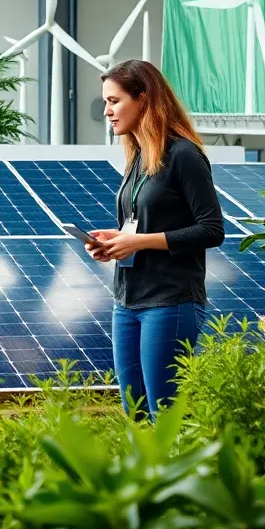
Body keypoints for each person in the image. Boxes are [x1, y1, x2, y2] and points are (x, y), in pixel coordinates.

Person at [87, 59, 224, 419]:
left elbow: (212, 230)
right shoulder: (137, 156)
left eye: (114, 101)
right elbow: (142, 222)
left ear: (143, 99)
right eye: (106, 102)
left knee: (163, 416)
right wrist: (116, 240)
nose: (107, 111)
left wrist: (139, 242)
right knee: (134, 414)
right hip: (127, 302)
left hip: (170, 303)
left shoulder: (184, 155)